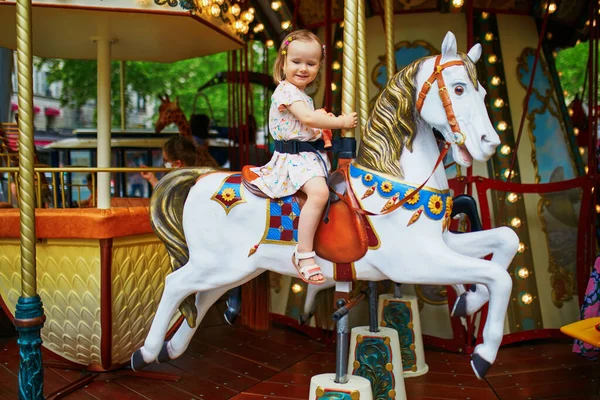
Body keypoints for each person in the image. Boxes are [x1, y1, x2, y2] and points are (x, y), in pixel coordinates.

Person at [250, 29, 358, 285]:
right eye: (296, 62)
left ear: (319, 67)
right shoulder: (286, 92)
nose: (303, 68)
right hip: (292, 160)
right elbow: (307, 119)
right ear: (283, 62)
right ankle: (304, 253)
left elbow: (306, 123)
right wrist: (340, 121)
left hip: (308, 157)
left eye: (311, 63)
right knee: (319, 194)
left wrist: (321, 128)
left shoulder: (302, 96)